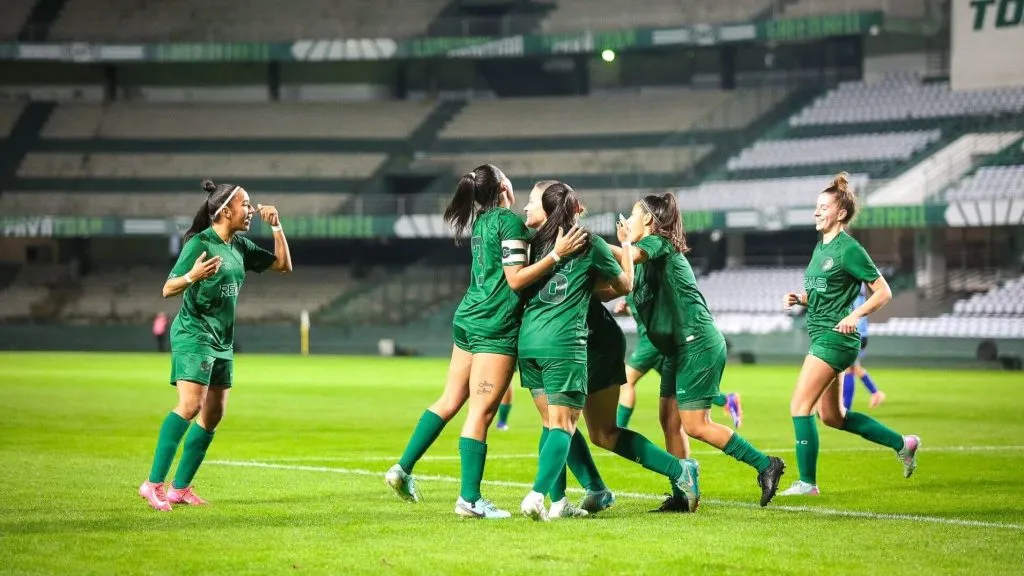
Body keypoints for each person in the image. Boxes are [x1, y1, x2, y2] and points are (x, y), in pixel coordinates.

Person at [384, 165, 587, 519]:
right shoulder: (508, 223)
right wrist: (557, 255)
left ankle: (402, 469)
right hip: (494, 326)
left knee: (449, 400)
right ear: (504, 186)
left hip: (468, 318)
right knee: (481, 412)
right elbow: (514, 279)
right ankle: (470, 500)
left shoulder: (481, 222)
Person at [517, 181, 700, 521]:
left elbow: (617, 286)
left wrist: (623, 252)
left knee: (586, 428)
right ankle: (572, 497)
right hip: (555, 343)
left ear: (553, 207)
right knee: (564, 425)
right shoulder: (536, 247)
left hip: (591, 344)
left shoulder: (582, 242)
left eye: (533, 200)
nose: (526, 207)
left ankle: (677, 470)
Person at [616, 193, 785, 510]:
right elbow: (630, 274)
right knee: (668, 420)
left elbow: (628, 256)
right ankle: (683, 494)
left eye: (633, 214)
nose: (627, 220)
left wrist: (596, 247)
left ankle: (766, 464)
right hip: (675, 350)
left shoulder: (658, 244)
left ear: (649, 220)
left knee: (695, 424)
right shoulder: (644, 256)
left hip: (697, 343)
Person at [139, 179, 292, 511]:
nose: (251, 210)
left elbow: (283, 265)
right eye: (246, 205)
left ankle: (180, 488)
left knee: (213, 415)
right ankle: (153, 484)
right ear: (225, 210)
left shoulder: (240, 246)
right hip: (194, 335)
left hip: (222, 341)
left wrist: (277, 227)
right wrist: (192, 276)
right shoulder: (199, 244)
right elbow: (167, 289)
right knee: (191, 406)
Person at [780, 173, 919, 497]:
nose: (816, 212)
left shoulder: (849, 249)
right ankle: (904, 444)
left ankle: (807, 483)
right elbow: (825, 294)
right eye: (816, 206)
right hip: (822, 337)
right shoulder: (821, 248)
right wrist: (800, 298)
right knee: (832, 417)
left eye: (823, 207)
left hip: (835, 339)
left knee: (800, 407)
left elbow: (882, 292)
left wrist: (855, 315)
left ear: (840, 213)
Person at [614, 299, 743, 429]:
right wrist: (628, 308)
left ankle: (619, 430)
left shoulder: (638, 284)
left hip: (651, 342)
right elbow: (645, 314)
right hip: (659, 341)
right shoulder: (634, 291)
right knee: (680, 384)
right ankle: (726, 400)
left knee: (626, 382)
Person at [840, 283, 886, 410]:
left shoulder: (851, 291)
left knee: (848, 369)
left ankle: (846, 408)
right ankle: (876, 393)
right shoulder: (859, 290)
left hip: (854, 333)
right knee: (854, 368)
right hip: (860, 333)